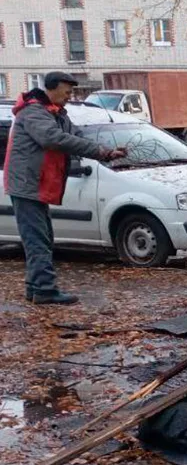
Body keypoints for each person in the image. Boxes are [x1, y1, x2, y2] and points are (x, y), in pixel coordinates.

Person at [3, 72, 126, 305]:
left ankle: (36, 287)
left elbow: (75, 136)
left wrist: (107, 151)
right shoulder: (33, 113)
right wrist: (100, 152)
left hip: (35, 184)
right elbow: (54, 139)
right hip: (27, 185)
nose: (70, 96)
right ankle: (45, 290)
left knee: (42, 237)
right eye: (67, 91)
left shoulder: (56, 113)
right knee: (38, 239)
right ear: (51, 89)